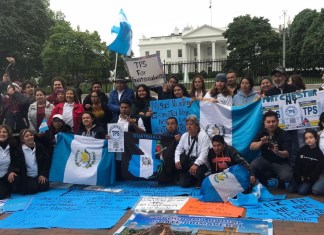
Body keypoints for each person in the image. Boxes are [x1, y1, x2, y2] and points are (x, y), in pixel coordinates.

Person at [250, 110, 293, 187]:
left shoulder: (285, 134)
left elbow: (287, 154)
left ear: (278, 122)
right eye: (268, 122)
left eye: (273, 121)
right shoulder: (262, 133)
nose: (271, 124)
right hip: (265, 160)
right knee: (253, 166)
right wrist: (261, 142)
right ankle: (264, 179)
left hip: (280, 162)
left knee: (288, 177)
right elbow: (252, 147)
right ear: (264, 123)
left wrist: (278, 152)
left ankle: (280, 180)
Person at [174, 115, 210, 188]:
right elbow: (178, 149)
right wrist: (177, 160)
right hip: (189, 161)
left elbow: (204, 153)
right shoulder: (185, 135)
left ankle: (202, 177)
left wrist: (196, 164)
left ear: (197, 125)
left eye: (191, 124)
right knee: (183, 184)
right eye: (187, 124)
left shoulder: (203, 136)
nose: (189, 126)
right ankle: (193, 178)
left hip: (201, 163)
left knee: (198, 172)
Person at [287, 129, 324, 195]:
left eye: (311, 137)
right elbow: (297, 165)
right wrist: (298, 176)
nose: (308, 140)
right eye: (306, 138)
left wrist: (307, 178)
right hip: (300, 176)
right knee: (290, 190)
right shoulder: (302, 150)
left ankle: (311, 186)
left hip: (309, 178)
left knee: (301, 192)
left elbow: (317, 171)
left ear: (316, 138)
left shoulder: (319, 154)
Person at [14, 129, 50, 195]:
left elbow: (46, 162)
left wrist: (42, 174)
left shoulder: (40, 147)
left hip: (38, 174)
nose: (30, 137)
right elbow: (17, 165)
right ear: (22, 139)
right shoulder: (19, 150)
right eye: (27, 136)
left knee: (44, 187)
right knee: (32, 189)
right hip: (27, 176)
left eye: (31, 135)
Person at [0, 125, 20, 199]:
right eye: (0, 132)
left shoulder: (13, 145)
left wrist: (11, 171)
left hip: (7, 175)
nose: (2, 134)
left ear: (8, 134)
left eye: (4, 132)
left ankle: (7, 188)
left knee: (16, 178)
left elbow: (15, 161)